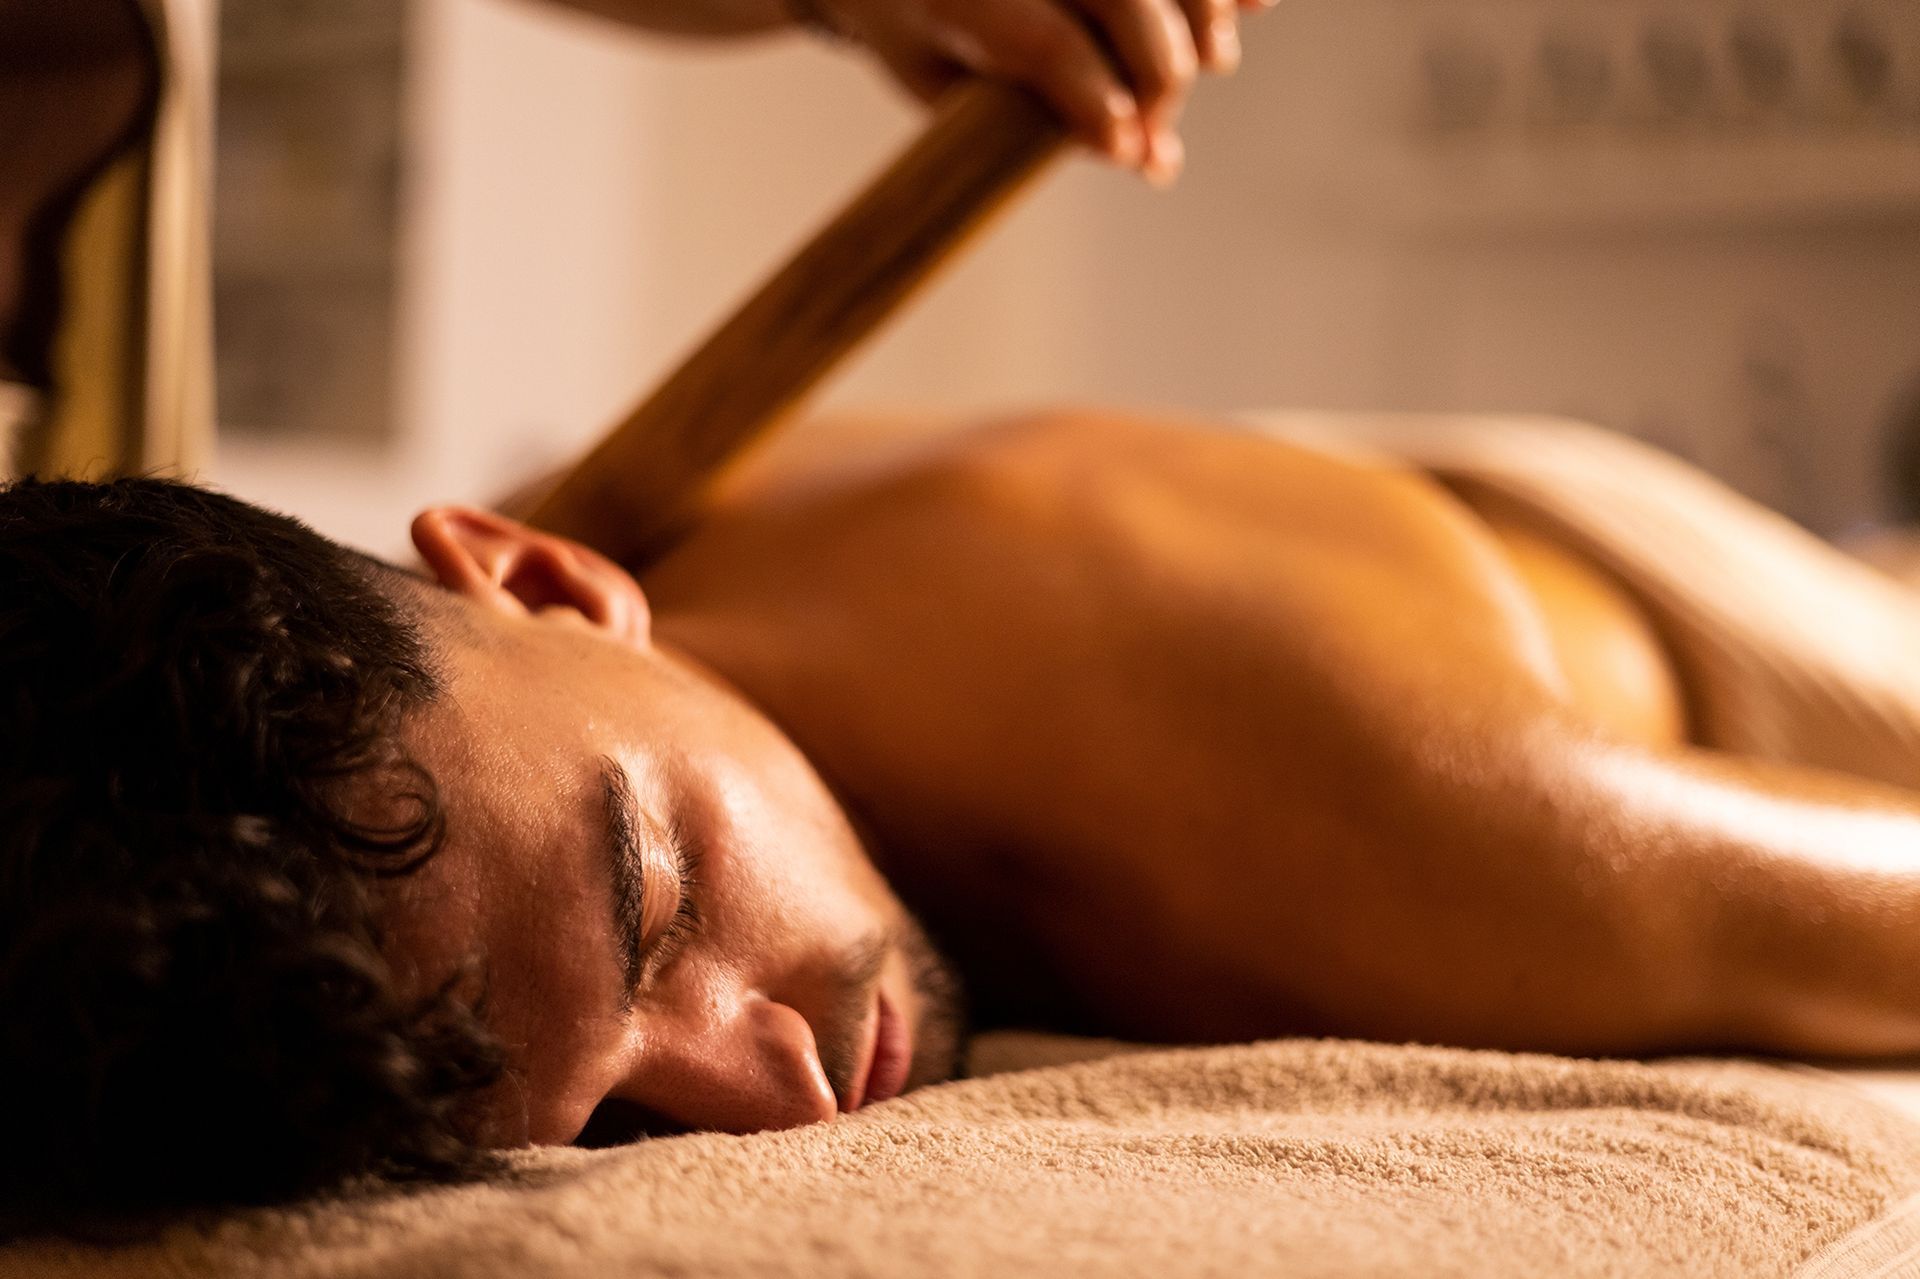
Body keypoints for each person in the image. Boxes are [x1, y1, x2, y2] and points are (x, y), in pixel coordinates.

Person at [8, 403, 1920, 1234]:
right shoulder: (566, 621)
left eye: (659, 904)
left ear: (553, 579)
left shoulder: (1336, 830)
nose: (767, 1090)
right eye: (608, 1122)